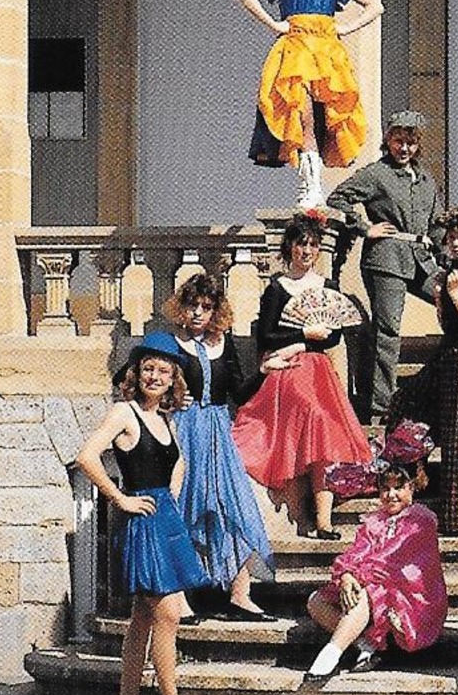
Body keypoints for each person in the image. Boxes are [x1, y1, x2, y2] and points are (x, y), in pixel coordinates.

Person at [75, 333, 211, 695]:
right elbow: (86, 456)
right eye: (148, 368)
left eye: (163, 371)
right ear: (136, 372)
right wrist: (119, 498)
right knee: (168, 612)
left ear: (173, 379)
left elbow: (178, 460)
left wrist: (175, 484)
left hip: (165, 516)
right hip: (143, 521)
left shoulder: (164, 417)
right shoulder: (124, 412)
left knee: (141, 616)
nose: (154, 376)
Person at [231, 212, 372, 539]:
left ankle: (323, 521)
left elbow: (335, 335)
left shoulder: (327, 286)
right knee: (310, 423)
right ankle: (302, 517)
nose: (306, 251)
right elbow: (266, 336)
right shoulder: (277, 288)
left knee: (324, 432)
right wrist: (304, 334)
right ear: (289, 247)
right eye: (300, 244)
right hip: (287, 368)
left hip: (319, 370)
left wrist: (320, 335)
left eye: (312, 245)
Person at [236, 0, 383, 207]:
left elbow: (375, 6)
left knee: (324, 119)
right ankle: (309, 186)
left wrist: (344, 29)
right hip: (297, 51)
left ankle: (316, 185)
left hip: (327, 54)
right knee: (301, 117)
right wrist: (275, 24)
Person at [163, 273, 274, 621]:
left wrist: (264, 371)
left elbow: (238, 393)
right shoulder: (168, 342)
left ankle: (240, 592)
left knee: (231, 506)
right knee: (183, 508)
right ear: (182, 308)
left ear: (216, 312)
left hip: (217, 432)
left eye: (206, 308)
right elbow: (134, 379)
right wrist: (169, 401)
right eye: (193, 306)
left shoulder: (223, 344)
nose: (198, 313)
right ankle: (178, 596)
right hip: (184, 433)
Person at [325, 110, 442, 423]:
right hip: (386, 258)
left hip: (420, 257)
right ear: (388, 140)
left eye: (411, 142)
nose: (404, 148)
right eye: (398, 140)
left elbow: (437, 226)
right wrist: (365, 227)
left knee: (455, 304)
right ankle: (382, 407)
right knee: (388, 331)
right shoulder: (377, 173)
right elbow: (339, 197)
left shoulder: (426, 178)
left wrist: (450, 261)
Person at [387, 205, 458, 534]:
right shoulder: (453, 268)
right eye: (452, 239)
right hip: (448, 353)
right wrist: (440, 300)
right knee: (405, 403)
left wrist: (453, 294)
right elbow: (447, 321)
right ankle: (412, 473)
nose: (457, 244)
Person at [304, 456, 449, 678]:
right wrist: (346, 575)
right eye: (385, 489)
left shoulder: (421, 520)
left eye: (398, 488)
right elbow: (358, 551)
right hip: (376, 584)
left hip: (410, 597)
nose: (391, 495)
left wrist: (357, 577)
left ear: (411, 487)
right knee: (316, 601)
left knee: (365, 593)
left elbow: (392, 560)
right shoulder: (375, 521)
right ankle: (365, 644)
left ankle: (331, 653)